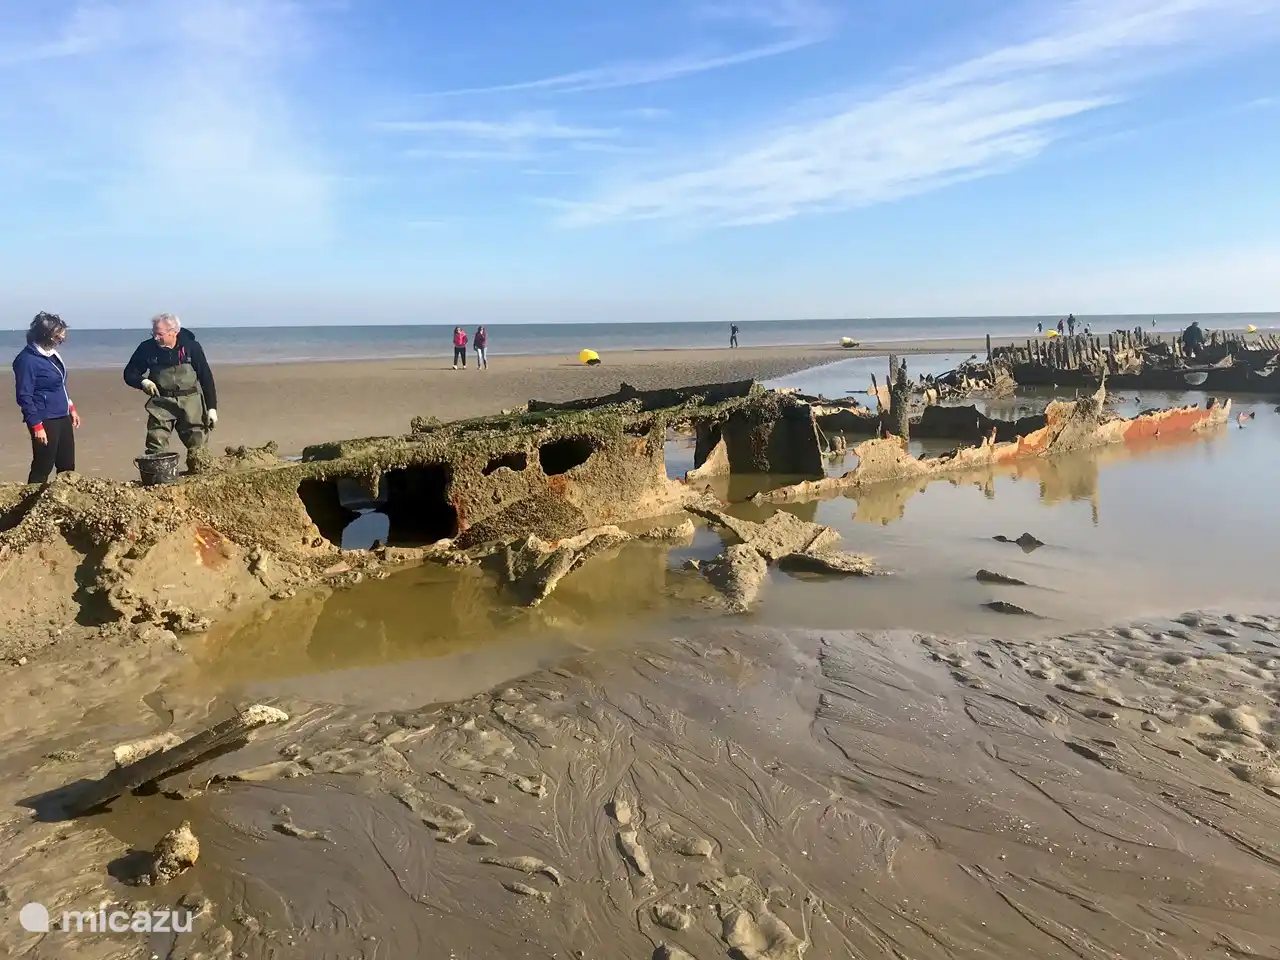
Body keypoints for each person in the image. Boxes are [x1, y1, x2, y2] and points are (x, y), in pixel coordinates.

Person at [123, 313, 218, 473]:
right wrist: (143, 382)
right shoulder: (146, 349)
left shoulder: (191, 347)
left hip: (191, 402)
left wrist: (212, 408)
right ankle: (158, 479)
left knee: (197, 444)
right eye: (153, 333)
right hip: (161, 402)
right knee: (156, 441)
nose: (155, 337)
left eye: (159, 334)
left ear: (174, 332)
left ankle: (200, 475)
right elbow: (129, 373)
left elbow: (206, 377)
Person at [13, 312, 80, 484]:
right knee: (43, 464)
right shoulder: (26, 360)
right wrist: (36, 425)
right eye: (58, 334)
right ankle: (29, 505)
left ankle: (64, 502)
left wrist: (71, 408)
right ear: (46, 334)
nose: (62, 338)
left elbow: (60, 384)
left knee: (67, 464)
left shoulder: (52, 354)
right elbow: (24, 396)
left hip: (62, 414)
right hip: (44, 418)